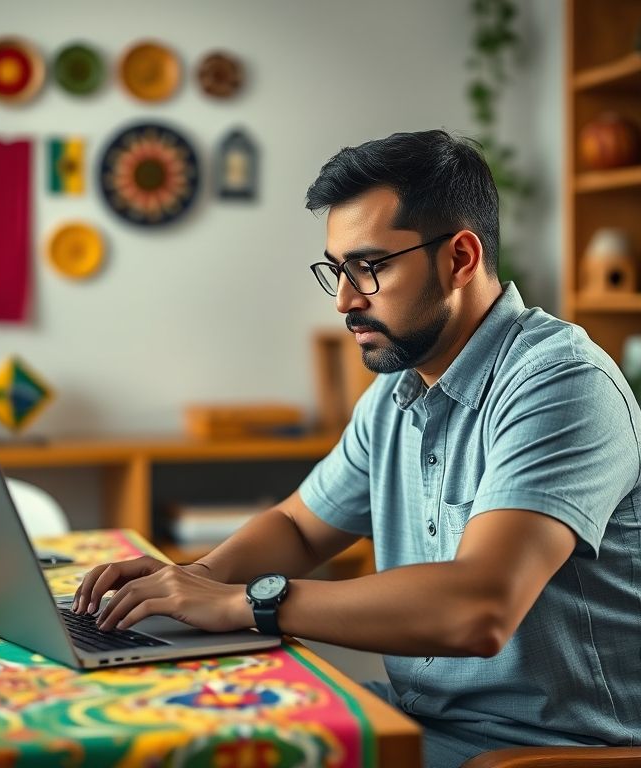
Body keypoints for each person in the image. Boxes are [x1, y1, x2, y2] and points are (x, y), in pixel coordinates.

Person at [73, 129, 641, 767]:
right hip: (418, 721)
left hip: (544, 754)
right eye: (336, 271)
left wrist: (243, 602)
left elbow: (479, 606)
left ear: (460, 258)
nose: (345, 300)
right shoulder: (398, 391)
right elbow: (298, 524)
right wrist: (195, 578)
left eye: (369, 267)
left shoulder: (560, 384)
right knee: (185, 733)